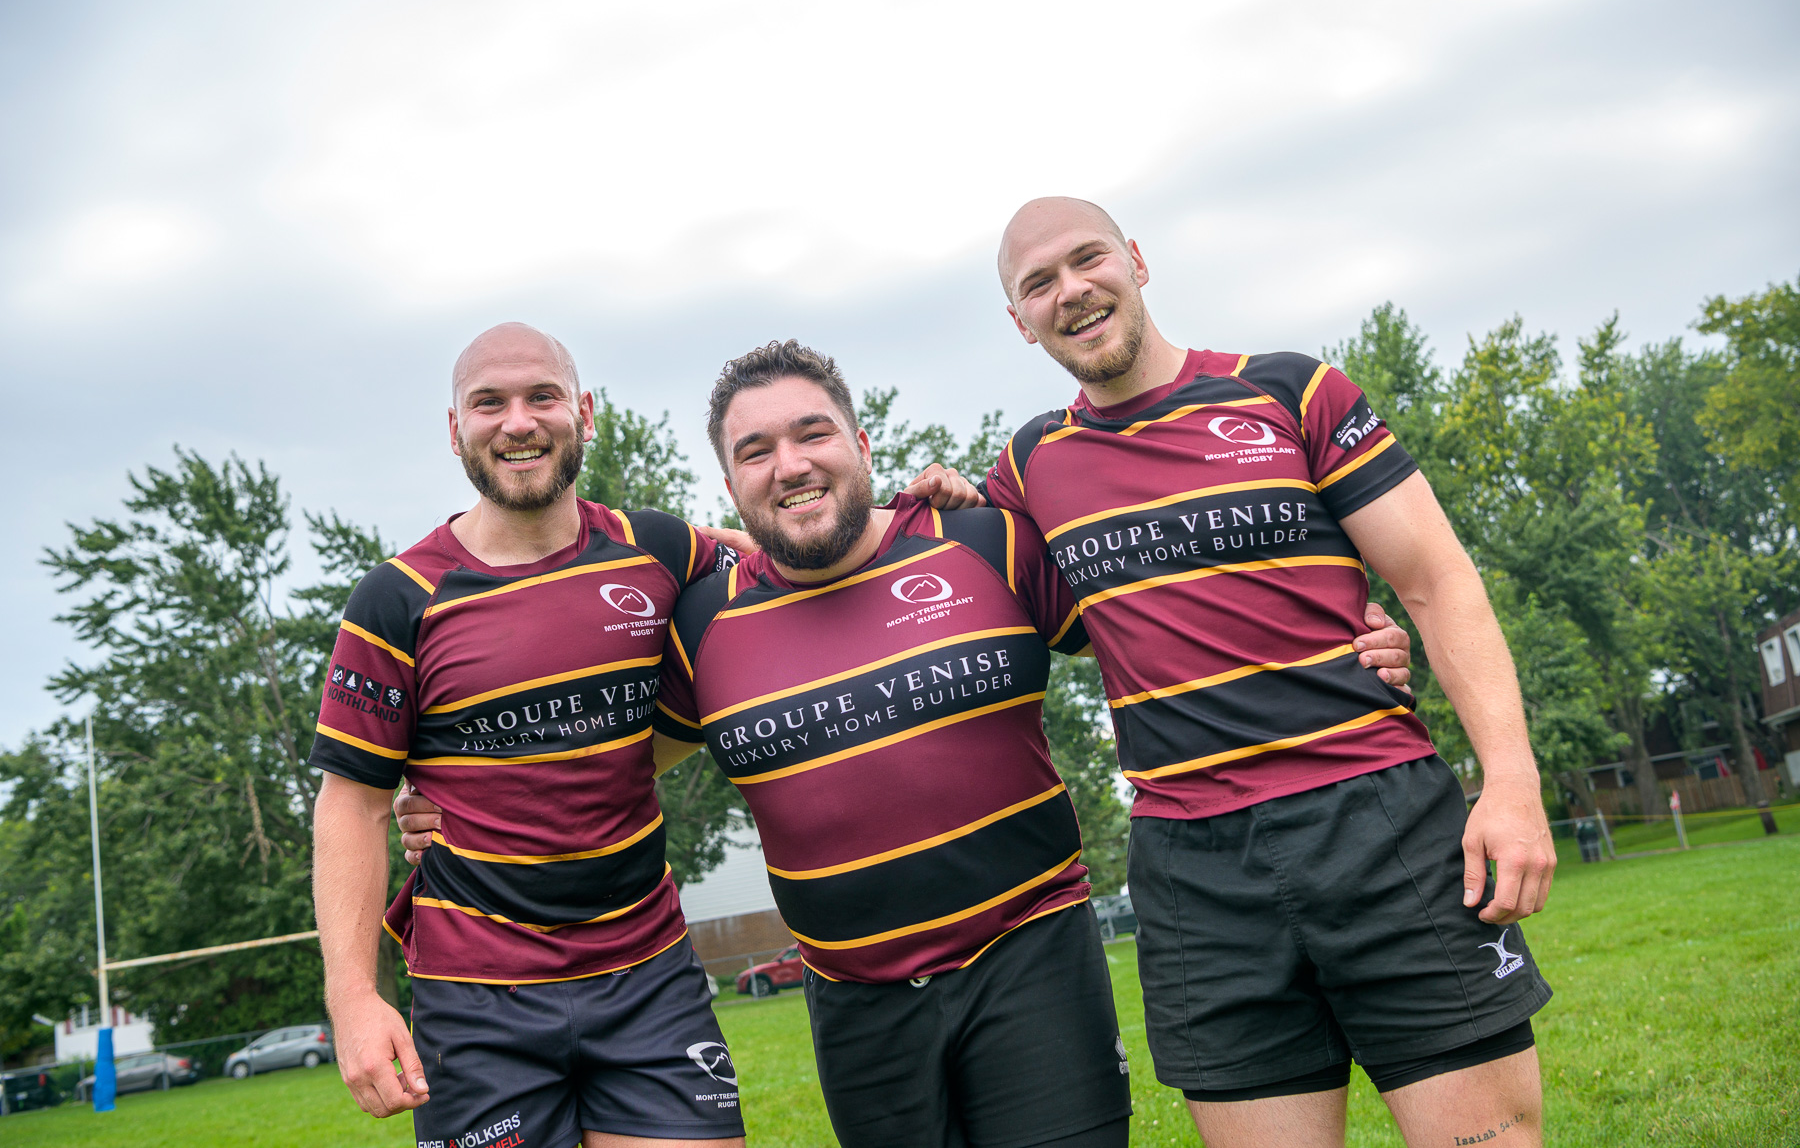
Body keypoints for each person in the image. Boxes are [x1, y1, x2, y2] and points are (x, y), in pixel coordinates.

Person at [396, 340, 1417, 1148]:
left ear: (862, 441)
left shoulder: (981, 542)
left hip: (1033, 962)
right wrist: (452, 801)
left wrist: (1349, 637)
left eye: (812, 433)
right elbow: (613, 754)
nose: (790, 464)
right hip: (857, 1004)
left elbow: (1157, 619)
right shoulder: (701, 620)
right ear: (731, 484)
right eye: (756, 451)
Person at [913, 197, 1558, 1148]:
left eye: (1086, 260)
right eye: (1037, 284)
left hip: (1381, 823)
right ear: (1019, 321)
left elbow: (1434, 581)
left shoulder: (1293, 391)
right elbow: (896, 565)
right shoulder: (1028, 467)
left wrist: (1511, 780)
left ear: (1135, 258)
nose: (1071, 292)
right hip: (1193, 872)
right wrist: (935, 497)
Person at [310, 323, 748, 1148]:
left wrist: (922, 518)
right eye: (489, 403)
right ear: (454, 430)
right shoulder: (398, 597)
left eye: (542, 396)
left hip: (648, 974)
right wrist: (354, 997)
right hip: (474, 1001)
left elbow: (787, 564)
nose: (518, 421)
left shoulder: (655, 548)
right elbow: (353, 806)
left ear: (584, 412)